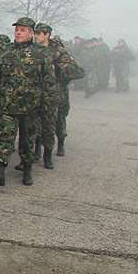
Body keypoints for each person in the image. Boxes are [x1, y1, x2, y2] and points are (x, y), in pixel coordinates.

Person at [0, 17, 56, 187]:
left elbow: (48, 82)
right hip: (7, 104)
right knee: (5, 137)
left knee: (27, 140)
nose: (18, 32)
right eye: (17, 29)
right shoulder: (5, 51)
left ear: (31, 33)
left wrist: (47, 106)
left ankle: (27, 170)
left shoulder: (41, 53)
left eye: (23, 30)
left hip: (30, 106)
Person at [32, 23, 84, 168]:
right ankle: (37, 149)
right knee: (36, 122)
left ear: (46, 34)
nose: (35, 36)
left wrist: (58, 70)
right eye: (35, 33)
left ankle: (58, 146)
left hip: (57, 92)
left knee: (57, 120)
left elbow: (76, 71)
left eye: (38, 33)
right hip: (38, 92)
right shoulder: (33, 50)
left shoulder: (58, 52)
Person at [50, 35, 84, 157]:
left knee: (60, 119)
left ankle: (61, 144)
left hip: (60, 92)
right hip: (47, 91)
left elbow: (78, 73)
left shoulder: (65, 58)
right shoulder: (45, 54)